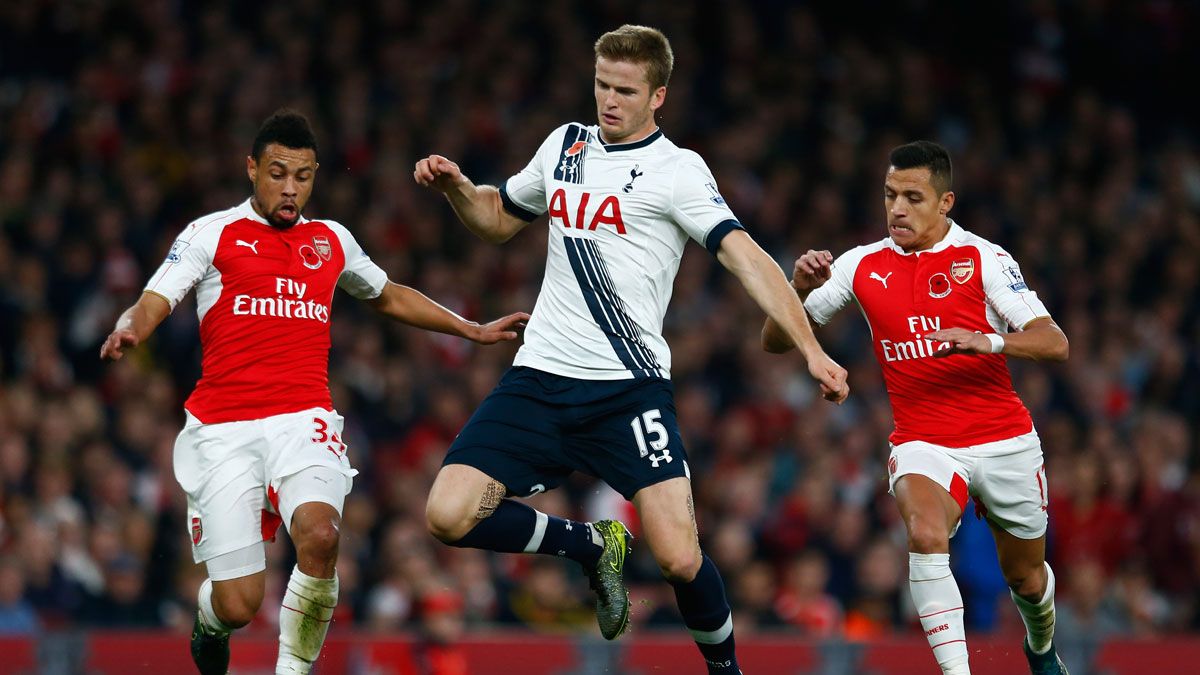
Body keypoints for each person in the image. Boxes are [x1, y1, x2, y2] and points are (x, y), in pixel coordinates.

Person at [414, 24, 847, 675]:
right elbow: (498, 219)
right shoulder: (565, 144)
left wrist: (811, 348)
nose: (608, 101)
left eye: (624, 90)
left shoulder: (679, 171)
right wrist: (455, 188)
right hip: (539, 377)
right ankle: (592, 547)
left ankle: (725, 670)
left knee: (677, 555)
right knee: (446, 513)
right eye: (601, 85)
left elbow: (748, 258)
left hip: (628, 389)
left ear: (658, 95)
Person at [100, 109, 528, 675]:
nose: (290, 188)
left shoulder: (331, 240)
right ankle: (210, 619)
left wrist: (469, 328)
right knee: (238, 604)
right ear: (252, 168)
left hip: (305, 419)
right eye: (277, 173)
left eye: (302, 176)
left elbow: (389, 294)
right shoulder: (213, 233)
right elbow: (158, 296)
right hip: (224, 429)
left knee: (322, 535)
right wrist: (132, 326)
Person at [763, 141, 1070, 675]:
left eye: (913, 196)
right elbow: (774, 341)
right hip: (922, 440)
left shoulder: (984, 259)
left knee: (1027, 579)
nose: (898, 208)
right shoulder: (861, 265)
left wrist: (989, 341)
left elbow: (1054, 342)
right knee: (925, 535)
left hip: (1003, 438)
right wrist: (795, 288)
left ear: (945, 201)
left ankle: (1041, 649)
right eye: (889, 195)